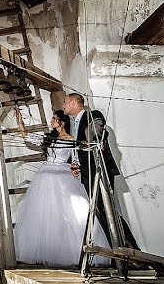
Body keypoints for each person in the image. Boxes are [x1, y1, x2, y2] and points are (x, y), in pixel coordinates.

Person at [12, 107, 110, 266]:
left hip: (63, 175)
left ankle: (78, 251)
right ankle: (49, 252)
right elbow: (27, 137)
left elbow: (76, 158)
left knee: (71, 212)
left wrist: (76, 167)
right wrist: (20, 122)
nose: (51, 121)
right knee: (45, 215)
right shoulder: (49, 138)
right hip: (45, 176)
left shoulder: (72, 139)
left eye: (53, 119)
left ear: (61, 122)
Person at [62, 93, 140, 249]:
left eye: (65, 102)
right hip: (86, 173)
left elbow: (97, 137)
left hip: (99, 170)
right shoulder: (74, 124)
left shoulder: (93, 115)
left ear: (73, 103)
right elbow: (80, 149)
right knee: (100, 213)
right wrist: (75, 163)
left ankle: (130, 250)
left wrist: (78, 141)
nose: (62, 106)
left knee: (107, 211)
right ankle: (117, 249)